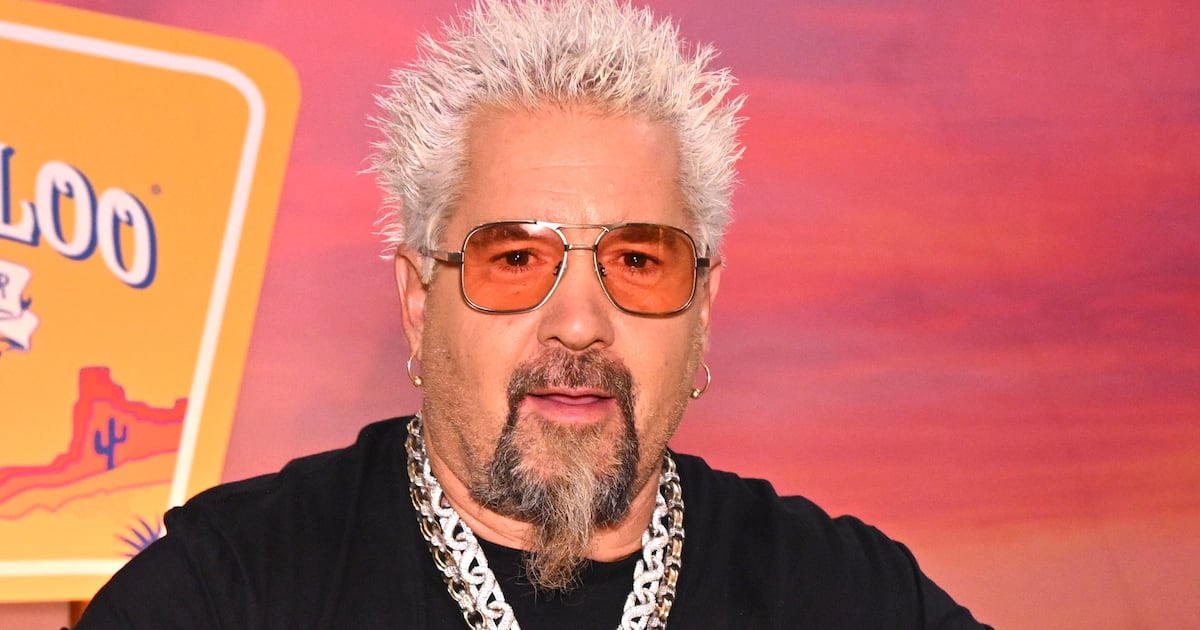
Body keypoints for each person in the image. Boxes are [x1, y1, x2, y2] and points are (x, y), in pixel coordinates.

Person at [76, 1, 991, 628]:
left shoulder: (840, 591)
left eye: (638, 261)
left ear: (703, 307)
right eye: (515, 260)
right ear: (418, 299)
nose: (580, 322)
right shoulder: (230, 590)